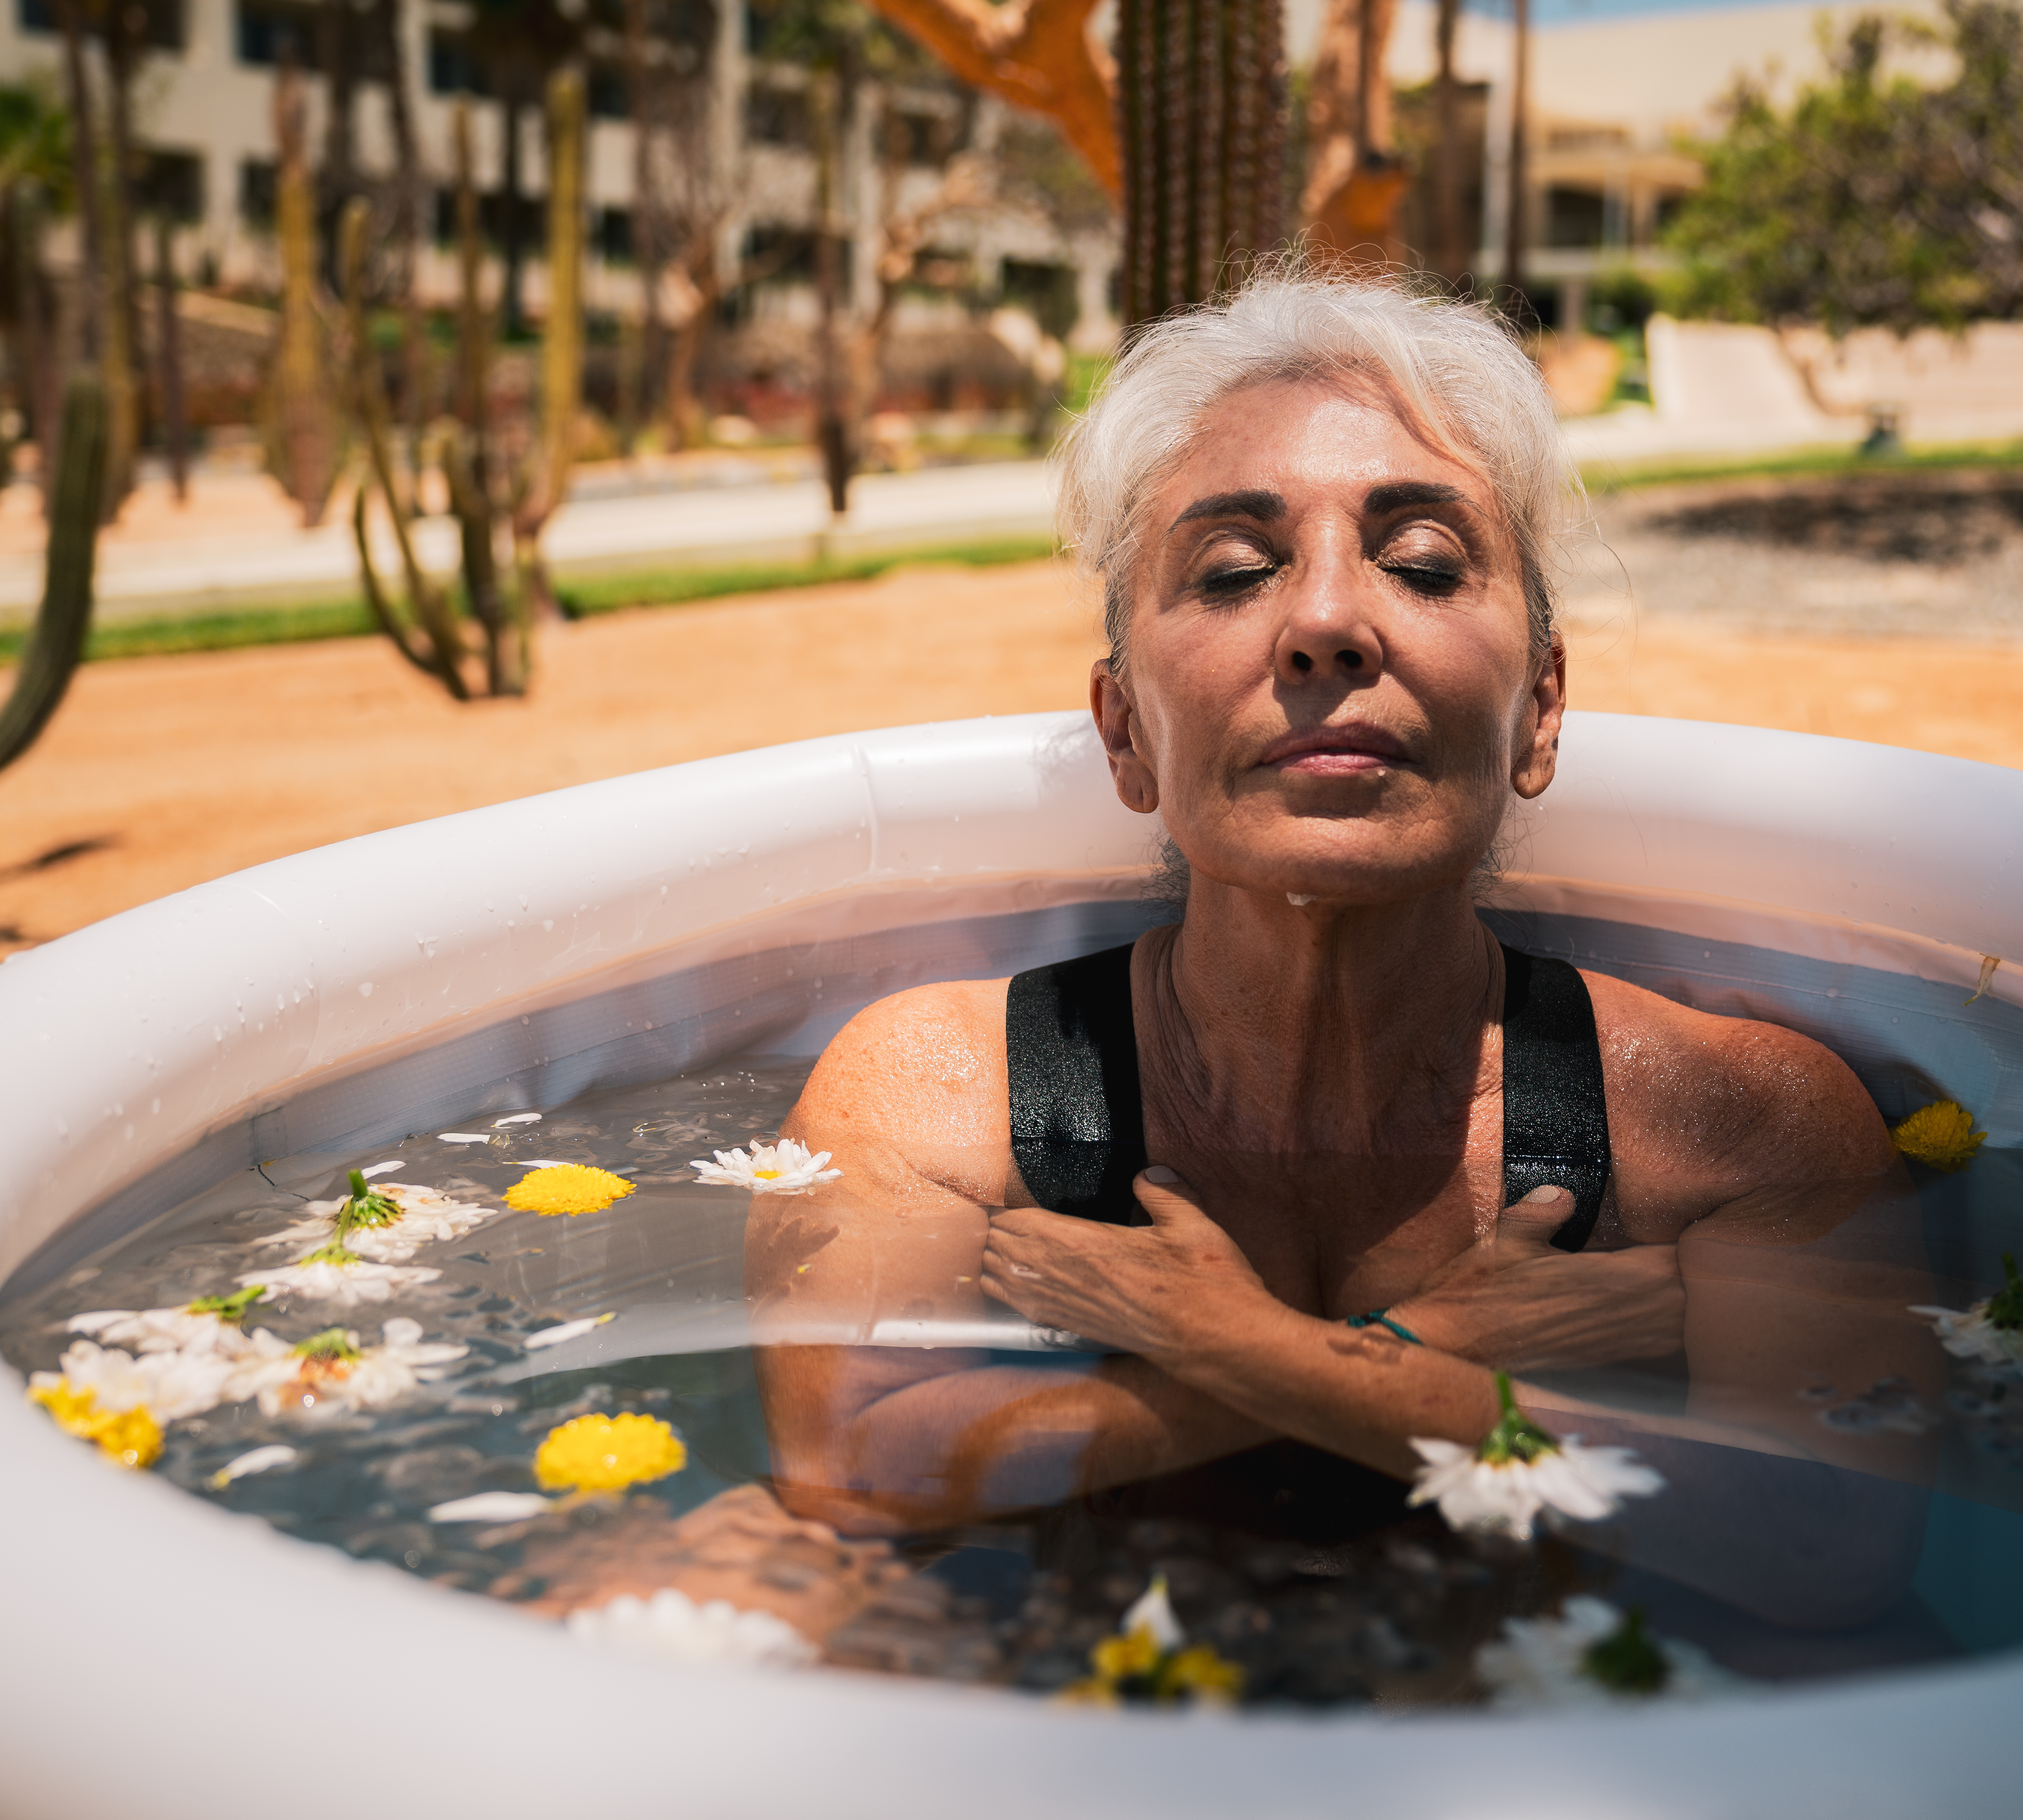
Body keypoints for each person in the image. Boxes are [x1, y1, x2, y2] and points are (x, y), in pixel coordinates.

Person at [751, 273, 1939, 1643]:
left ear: (1539, 710)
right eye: (1236, 572)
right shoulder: (934, 1090)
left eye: (1426, 563)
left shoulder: (1742, 1124)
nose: (1328, 622)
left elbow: (1822, 1543)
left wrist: (1238, 1346)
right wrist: (1421, 1349)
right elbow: (847, 1475)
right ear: (1126, 729)